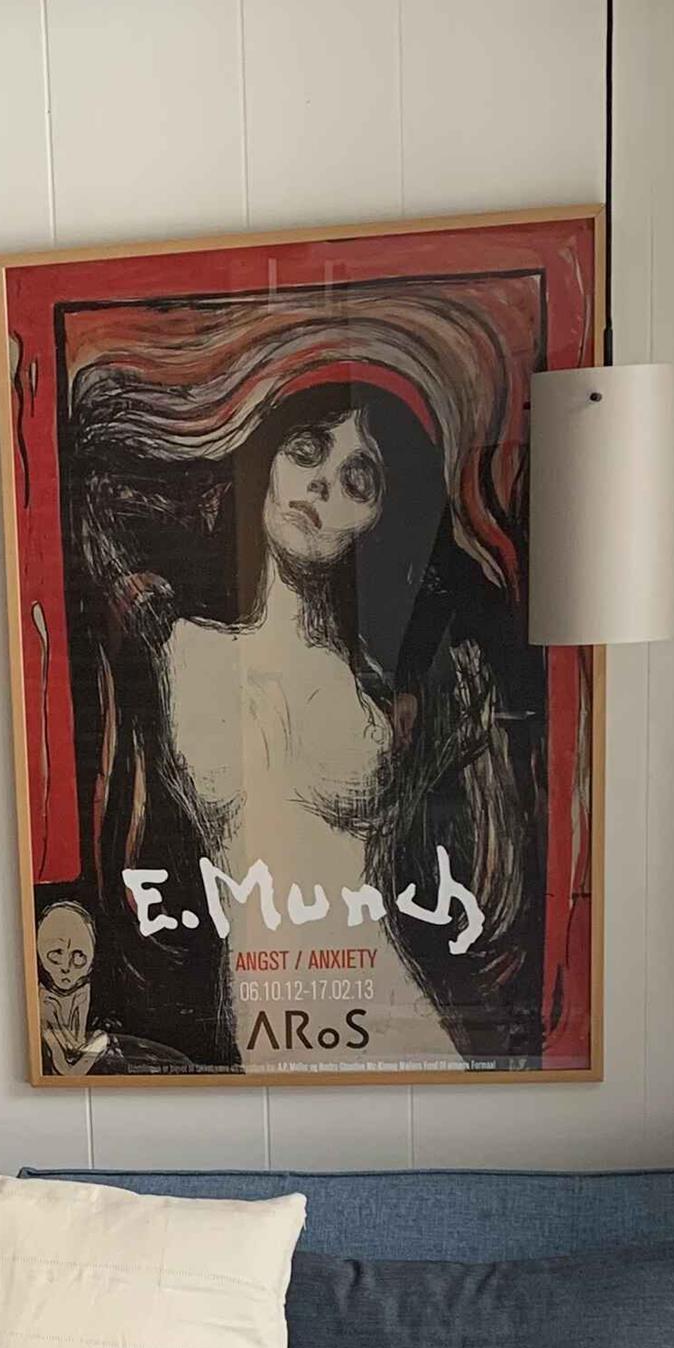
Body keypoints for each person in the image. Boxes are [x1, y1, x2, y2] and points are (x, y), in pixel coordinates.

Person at [66, 355, 548, 1069]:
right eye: (306, 448)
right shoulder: (180, 643)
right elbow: (92, 501)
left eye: (358, 479)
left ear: (376, 518)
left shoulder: (388, 692)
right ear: (266, 459)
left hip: (391, 1014)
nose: (321, 483)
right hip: (257, 1019)